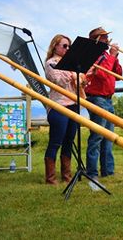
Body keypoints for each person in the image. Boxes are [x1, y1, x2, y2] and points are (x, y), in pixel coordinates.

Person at [44, 34, 85, 184]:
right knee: (56, 141)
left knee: (69, 140)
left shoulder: (71, 64)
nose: (67, 49)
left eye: (69, 46)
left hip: (73, 104)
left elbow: (81, 81)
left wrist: (79, 76)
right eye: (64, 46)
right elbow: (58, 80)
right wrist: (74, 73)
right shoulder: (51, 63)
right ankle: (50, 178)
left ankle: (66, 176)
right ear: (55, 46)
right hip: (58, 105)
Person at [85, 27, 122, 186]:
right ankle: (92, 172)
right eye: (104, 37)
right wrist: (112, 56)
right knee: (97, 136)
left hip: (107, 98)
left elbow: (118, 75)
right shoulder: (93, 55)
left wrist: (115, 58)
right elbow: (102, 73)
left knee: (108, 137)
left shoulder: (106, 56)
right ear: (97, 40)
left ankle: (108, 171)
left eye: (107, 37)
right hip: (97, 98)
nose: (108, 40)